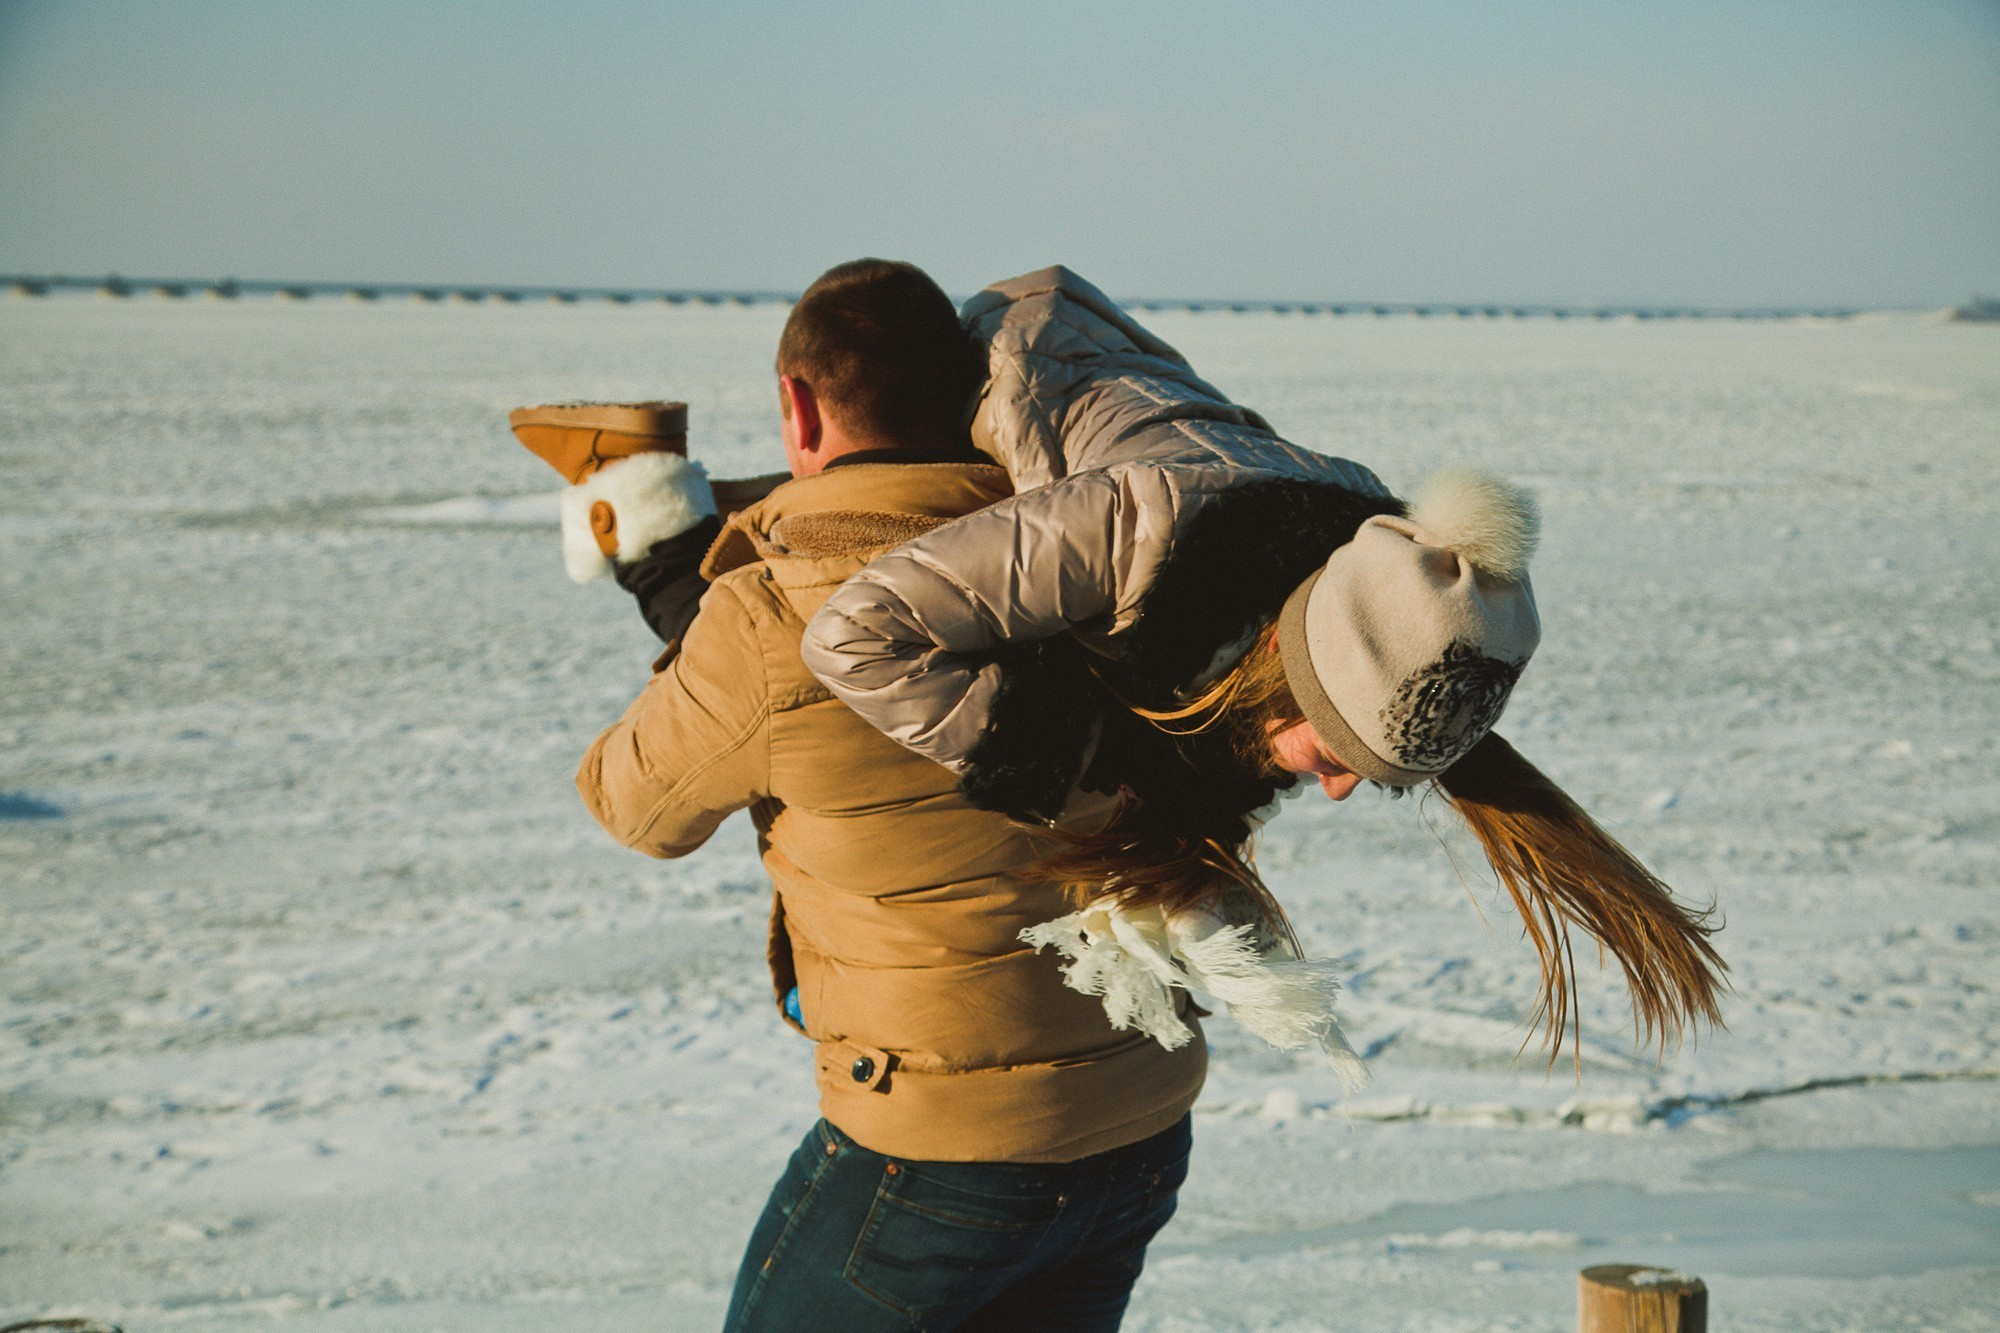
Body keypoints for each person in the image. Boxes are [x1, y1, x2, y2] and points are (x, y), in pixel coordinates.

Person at [801, 266, 1725, 1067]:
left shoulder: (1378, 583)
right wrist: (1065, 764)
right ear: (1280, 659)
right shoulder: (1131, 527)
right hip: (1016, 352)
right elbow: (855, 634)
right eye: (1337, 755)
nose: (1330, 793)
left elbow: (1225, 746)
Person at [520, 261, 1205, 1332]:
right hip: (1135, 1114)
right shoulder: (1078, 551)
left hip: (939, 1147)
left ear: (795, 406)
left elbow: (633, 804)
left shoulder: (761, 619)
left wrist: (678, 595)